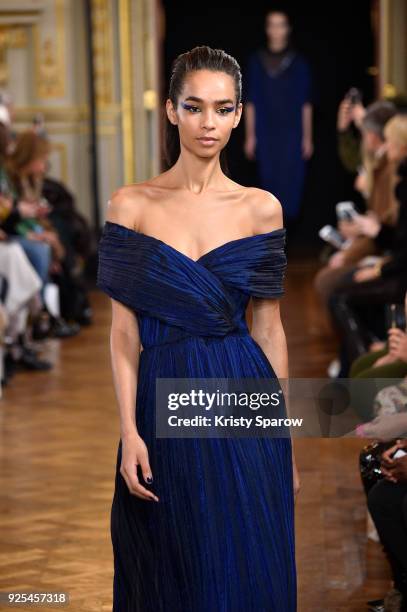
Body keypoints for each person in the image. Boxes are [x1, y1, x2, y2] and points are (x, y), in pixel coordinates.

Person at [97, 45, 298, 611]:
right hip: (162, 405)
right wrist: (129, 431)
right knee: (169, 563)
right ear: (170, 111)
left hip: (241, 394)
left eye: (222, 108)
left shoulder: (262, 208)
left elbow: (270, 331)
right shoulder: (130, 205)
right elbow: (122, 333)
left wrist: (284, 440)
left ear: (238, 115)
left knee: (248, 556)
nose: (208, 122)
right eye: (194, 106)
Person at [244, 8, 313, 222]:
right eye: (272, 24)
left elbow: (306, 103)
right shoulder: (256, 62)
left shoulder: (299, 63)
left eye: (281, 24)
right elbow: (250, 102)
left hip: (292, 133)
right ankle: (269, 237)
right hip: (266, 132)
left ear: (288, 29)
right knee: (268, 183)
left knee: (291, 185)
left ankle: (286, 238)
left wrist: (308, 137)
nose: (276, 30)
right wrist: (250, 136)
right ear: (267, 29)